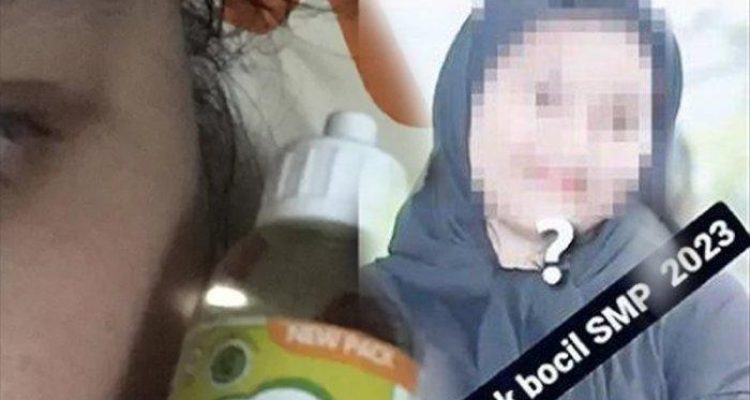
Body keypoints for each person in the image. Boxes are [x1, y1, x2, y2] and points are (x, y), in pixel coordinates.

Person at [363, 0, 750, 399]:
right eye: (545, 98)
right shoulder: (364, 311)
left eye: (618, 119)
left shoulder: (701, 311)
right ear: (466, 99)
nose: (576, 145)